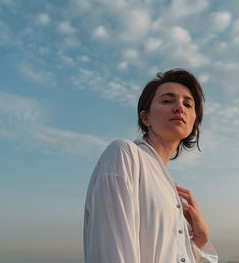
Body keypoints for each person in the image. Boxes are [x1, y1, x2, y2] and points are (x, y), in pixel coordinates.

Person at [83, 69, 218, 263]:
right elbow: (113, 253)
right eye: (167, 100)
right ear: (146, 118)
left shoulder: (173, 189)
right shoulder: (124, 155)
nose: (180, 107)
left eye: (188, 104)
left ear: (193, 123)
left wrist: (201, 240)